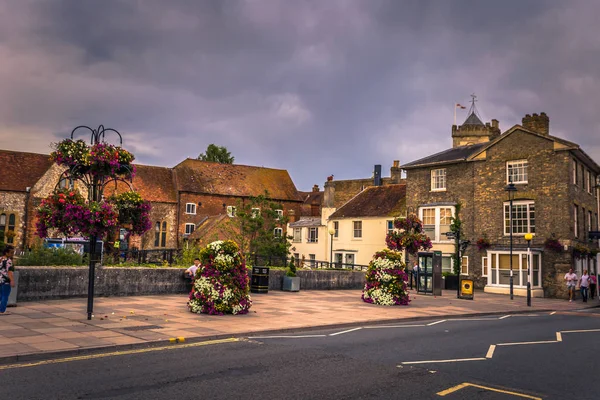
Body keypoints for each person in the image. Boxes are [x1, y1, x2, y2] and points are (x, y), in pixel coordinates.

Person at [0, 245, 15, 315]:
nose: (12, 254)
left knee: (0, 295)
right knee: (5, 295)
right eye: (11, 252)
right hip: (5, 281)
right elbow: (9, 272)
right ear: (6, 253)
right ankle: (2, 310)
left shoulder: (0, 259)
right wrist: (12, 280)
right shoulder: (8, 261)